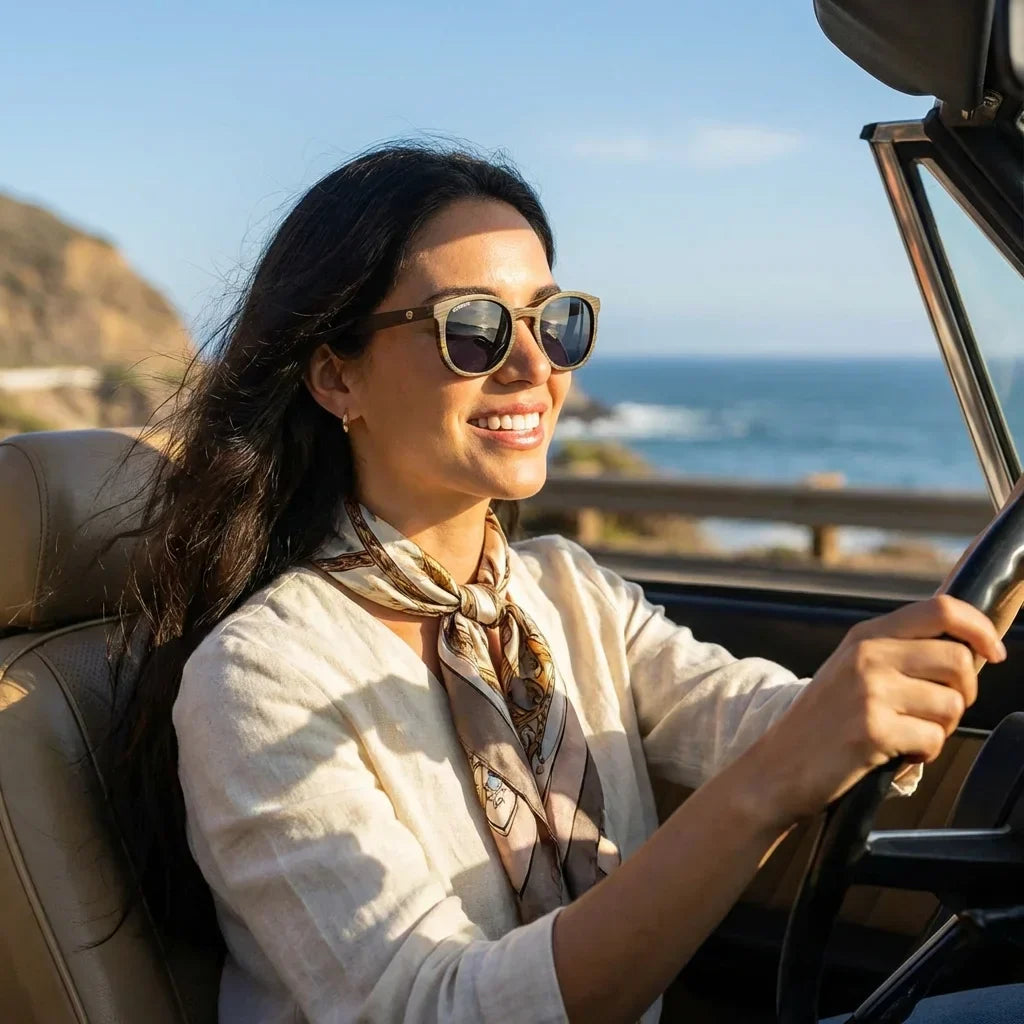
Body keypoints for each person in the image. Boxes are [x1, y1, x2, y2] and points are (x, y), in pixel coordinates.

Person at [109, 143, 1024, 1024]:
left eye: (556, 321)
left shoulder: (567, 594)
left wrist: (956, 622)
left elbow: (761, 722)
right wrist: (768, 787)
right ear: (336, 375)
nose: (535, 367)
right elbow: (432, 1010)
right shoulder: (259, 677)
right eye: (472, 328)